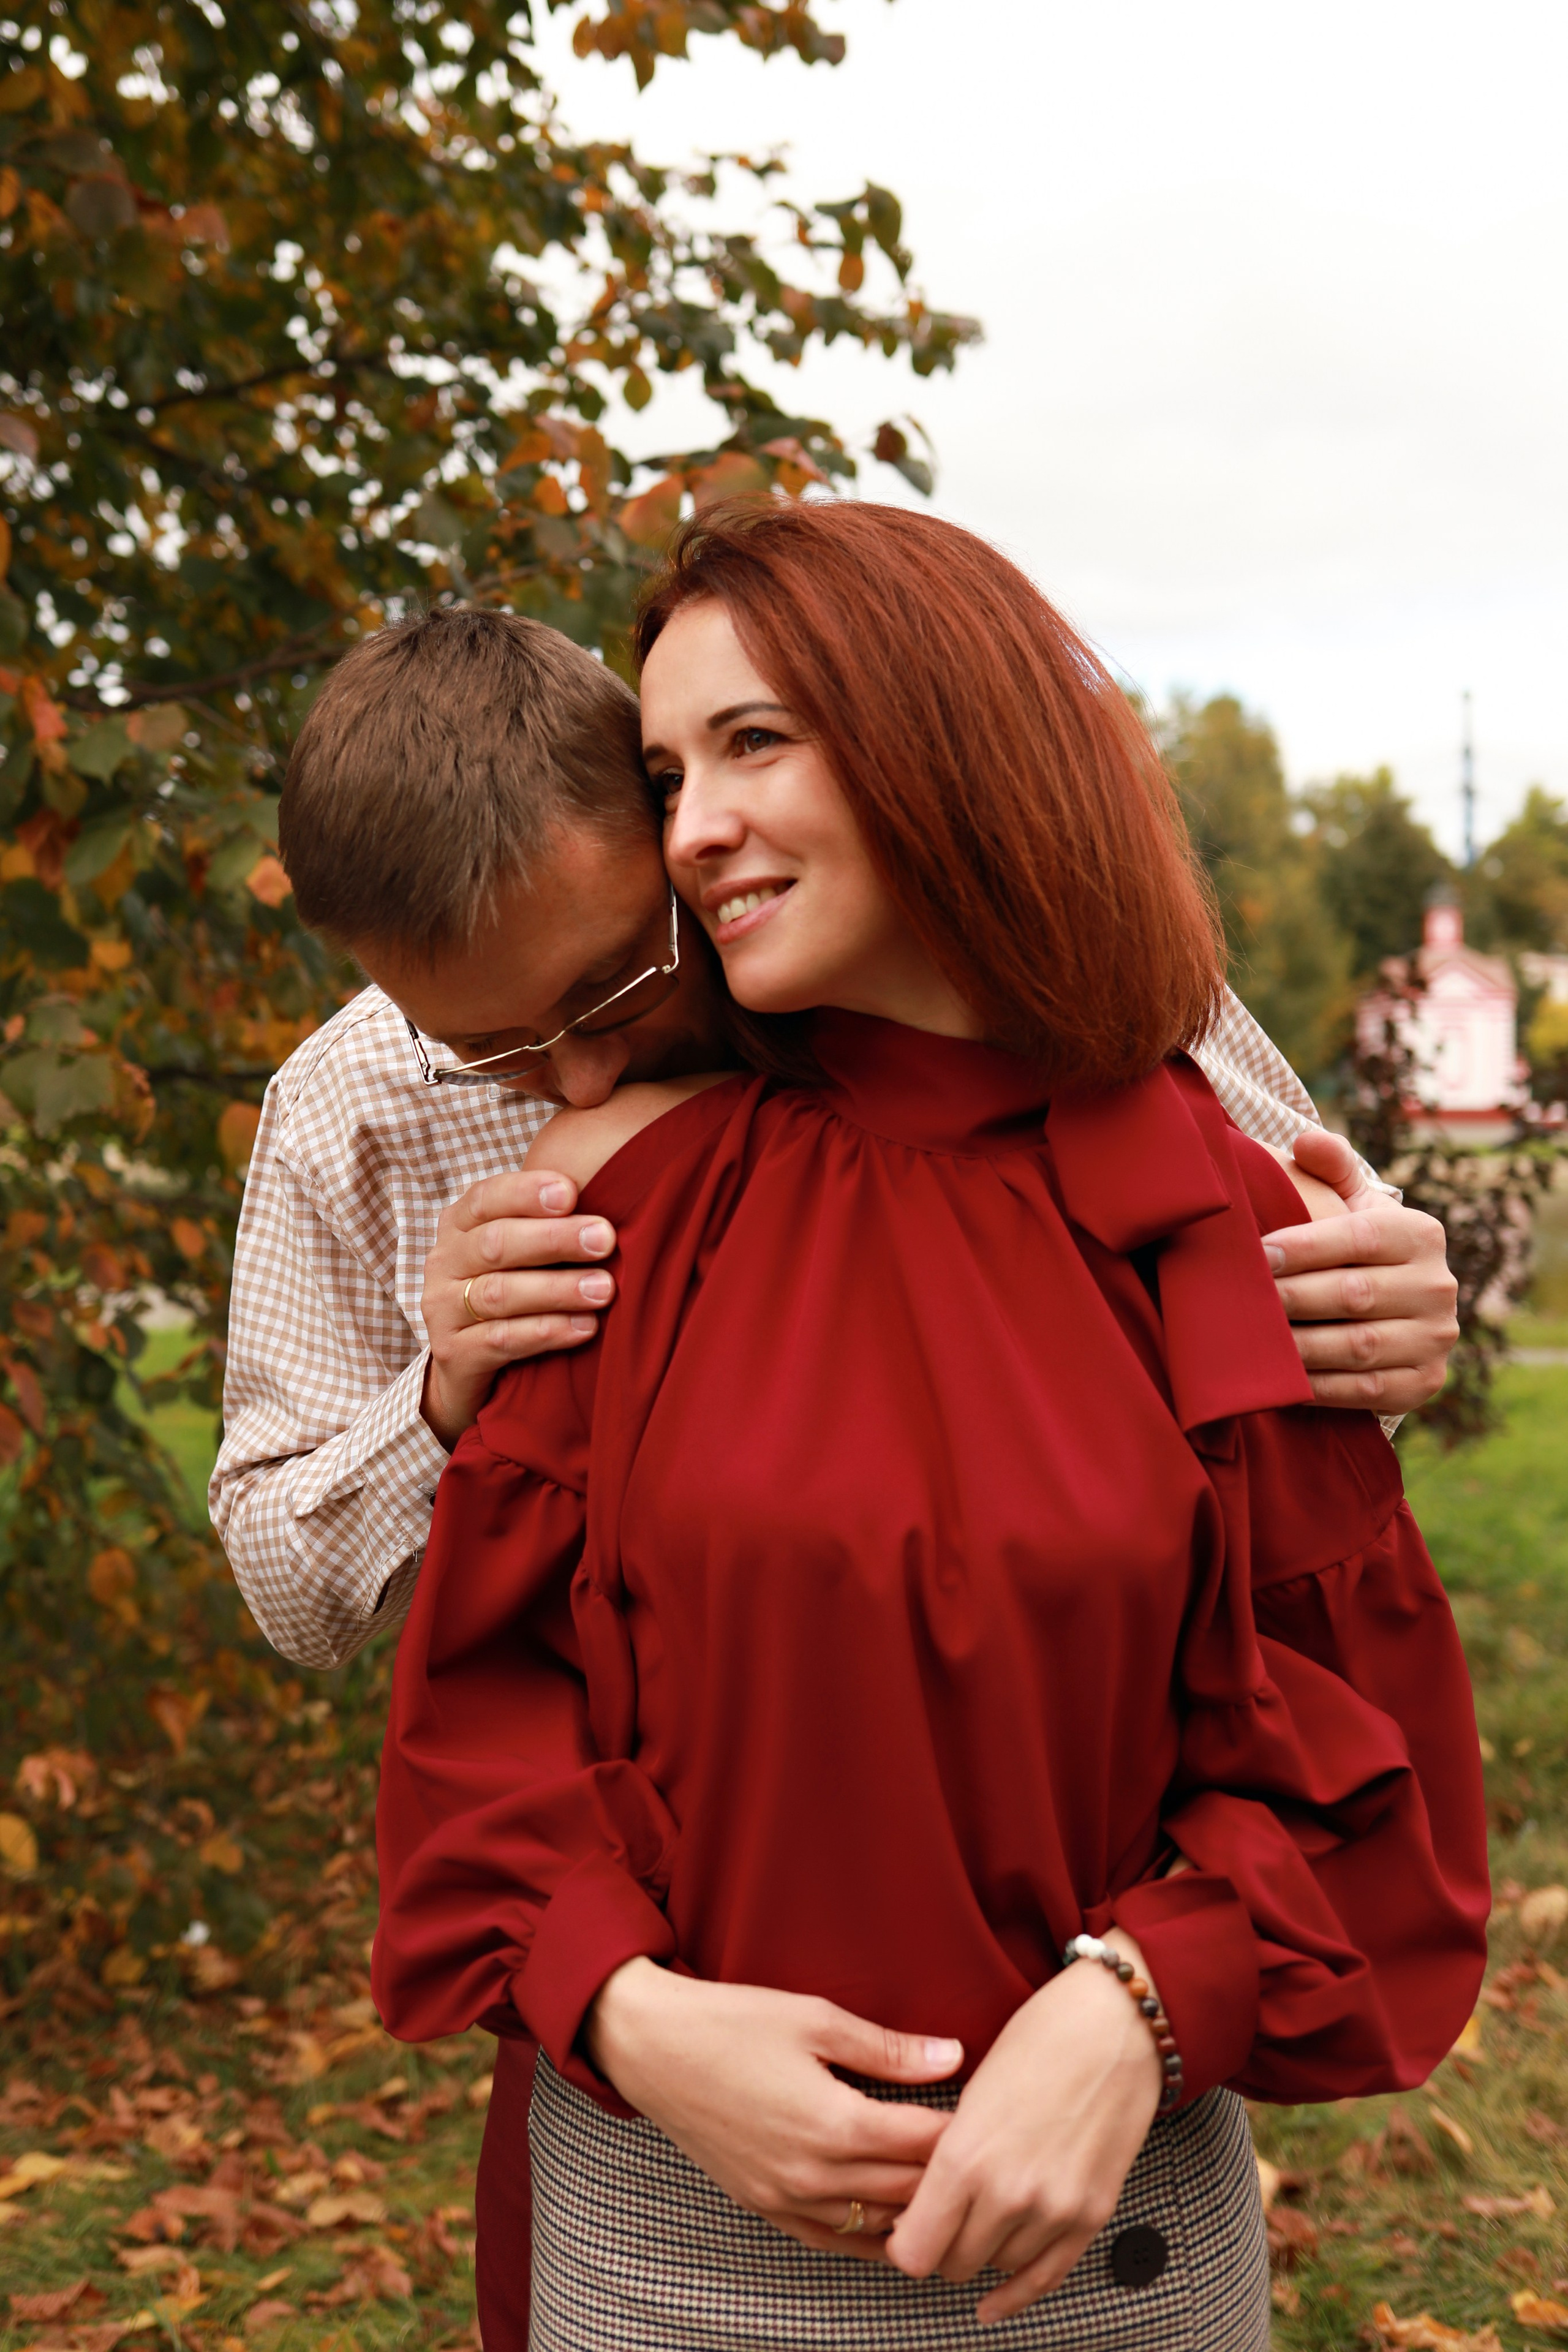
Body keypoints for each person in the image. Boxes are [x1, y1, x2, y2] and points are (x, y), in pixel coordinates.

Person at [217, 601, 1457, 2349]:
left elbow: (1277, 1374)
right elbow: (292, 1583)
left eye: (607, 993)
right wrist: (441, 1401)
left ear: (665, 842)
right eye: (489, 1051)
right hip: (655, 2035)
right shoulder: (356, 1105)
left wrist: (1393, 1304)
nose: (570, 1081)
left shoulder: (1006, 992)